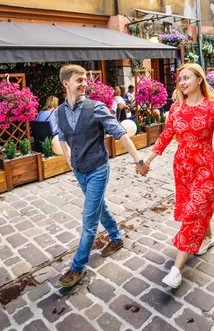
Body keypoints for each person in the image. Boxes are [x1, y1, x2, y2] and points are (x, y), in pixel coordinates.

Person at [54, 64, 149, 288]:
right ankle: (116, 238)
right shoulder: (59, 112)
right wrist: (69, 161)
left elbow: (120, 133)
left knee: (89, 219)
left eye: (86, 80)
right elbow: (61, 137)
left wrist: (139, 160)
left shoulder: (96, 107)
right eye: (79, 80)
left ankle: (77, 268)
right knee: (99, 208)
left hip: (98, 168)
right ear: (66, 83)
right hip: (80, 171)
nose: (85, 84)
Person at [144, 63, 214, 289]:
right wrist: (147, 160)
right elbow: (166, 136)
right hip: (183, 169)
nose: (182, 83)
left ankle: (176, 270)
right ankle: (208, 238)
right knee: (195, 210)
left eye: (187, 78)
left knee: (194, 212)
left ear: (199, 80)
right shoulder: (175, 109)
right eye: (180, 79)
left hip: (206, 168)